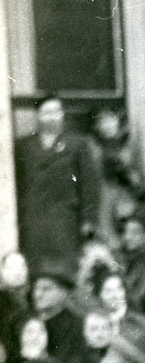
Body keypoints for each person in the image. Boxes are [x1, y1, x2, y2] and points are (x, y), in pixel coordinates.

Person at [14, 98, 102, 273]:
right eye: (47, 113)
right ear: (38, 116)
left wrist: (88, 220)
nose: (52, 117)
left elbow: (89, 184)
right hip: (34, 218)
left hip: (66, 218)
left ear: (62, 115)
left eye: (56, 112)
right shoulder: (24, 146)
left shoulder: (77, 144)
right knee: (36, 268)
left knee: (66, 269)